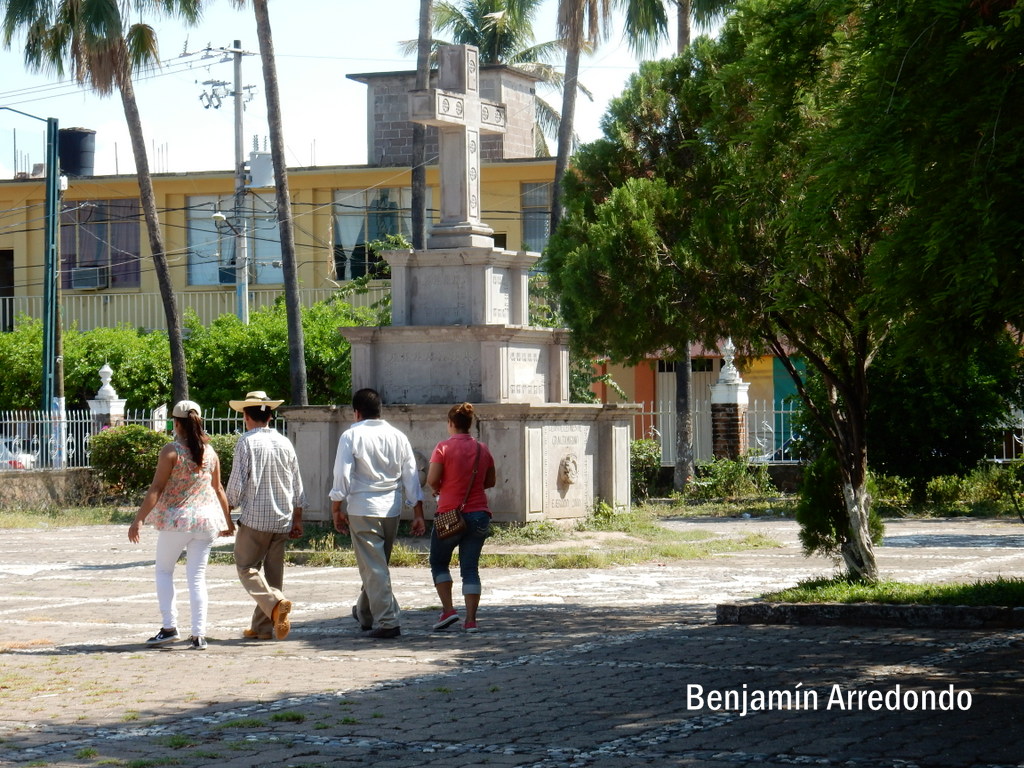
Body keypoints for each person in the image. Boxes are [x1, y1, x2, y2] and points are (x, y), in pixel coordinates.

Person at [128, 400, 235, 650]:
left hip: (177, 520)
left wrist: (139, 519)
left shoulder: (171, 451)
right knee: (197, 577)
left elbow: (157, 488)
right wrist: (228, 522)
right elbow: (218, 489)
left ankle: (169, 627)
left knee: (164, 571)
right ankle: (199, 634)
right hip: (207, 521)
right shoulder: (211, 453)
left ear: (176, 423)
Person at [330, 388, 425, 639]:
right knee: (376, 566)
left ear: (356, 413)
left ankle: (389, 621)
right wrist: (417, 512)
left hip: (363, 507)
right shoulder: (398, 436)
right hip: (391, 509)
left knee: (374, 568)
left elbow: (342, 475)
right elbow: (411, 476)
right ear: (379, 410)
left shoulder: (351, 435)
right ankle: (365, 612)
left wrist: (336, 507)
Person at [226, 390, 306, 641]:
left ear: (246, 417)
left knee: (246, 568)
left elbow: (236, 485)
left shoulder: (246, 442)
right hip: (282, 518)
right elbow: (297, 484)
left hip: (255, 519)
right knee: (273, 575)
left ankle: (275, 603)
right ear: (270, 417)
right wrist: (298, 518)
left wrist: (226, 509)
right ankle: (262, 628)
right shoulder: (284, 442)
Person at [427, 402, 496, 633]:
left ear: (450, 424)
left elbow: (432, 480)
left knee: (439, 562)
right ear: (469, 424)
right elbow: (490, 481)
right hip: (479, 515)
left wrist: (442, 488)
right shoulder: (482, 449)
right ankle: (471, 621)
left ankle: (448, 610)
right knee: (470, 568)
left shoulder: (443, 447)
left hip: (449, 514)